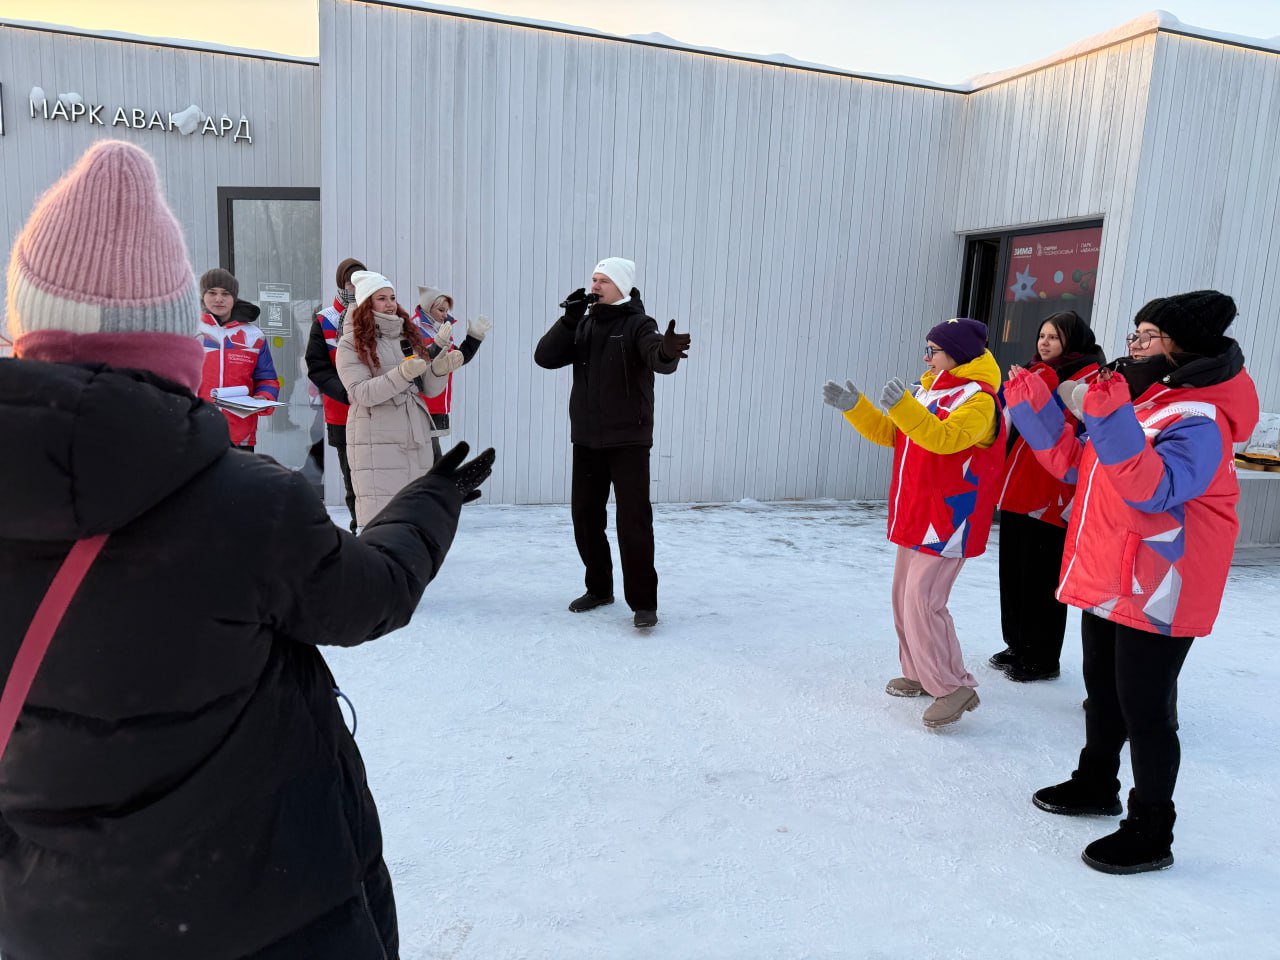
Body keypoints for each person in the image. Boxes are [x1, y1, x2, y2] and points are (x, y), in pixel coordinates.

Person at [0, 139, 496, 958]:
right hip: (274, 914)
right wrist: (431, 502)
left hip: (55, 926)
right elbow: (370, 592)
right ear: (173, 334)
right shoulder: (247, 506)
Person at [1004, 291, 1257, 874]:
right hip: (1110, 573)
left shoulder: (1200, 418)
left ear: (1180, 346)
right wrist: (1032, 406)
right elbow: (1076, 465)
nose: (1134, 347)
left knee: (1146, 710)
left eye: (1146, 336)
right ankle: (1096, 782)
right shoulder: (1148, 403)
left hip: (1163, 582)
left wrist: (1109, 415)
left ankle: (1151, 829)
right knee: (1104, 691)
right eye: (1133, 336)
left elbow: (1153, 490)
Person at [822, 318, 1004, 728]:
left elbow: (943, 439)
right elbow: (895, 434)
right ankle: (922, 671)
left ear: (957, 353)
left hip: (949, 518)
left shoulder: (981, 401)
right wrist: (858, 408)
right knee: (903, 597)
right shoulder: (927, 390)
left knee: (924, 602)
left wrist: (903, 406)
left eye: (934, 350)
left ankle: (952, 685)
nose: (927, 357)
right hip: (916, 513)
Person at [534, 257, 690, 629]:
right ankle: (599, 588)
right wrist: (569, 318)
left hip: (628, 439)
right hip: (586, 438)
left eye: (603, 280)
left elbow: (657, 355)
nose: (594, 285)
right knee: (585, 518)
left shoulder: (639, 323)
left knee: (633, 521)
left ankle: (644, 603)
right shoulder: (584, 323)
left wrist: (667, 352)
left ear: (621, 285)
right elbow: (545, 357)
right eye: (593, 278)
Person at [990, 311, 1105, 682]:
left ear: (1073, 341)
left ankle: (1042, 655)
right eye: (1042, 335)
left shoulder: (1089, 379)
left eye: (1054, 337)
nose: (1044, 343)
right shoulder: (1033, 370)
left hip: (1054, 492)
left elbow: (1080, 433)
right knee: (1014, 572)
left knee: (1042, 577)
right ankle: (1017, 643)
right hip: (1018, 487)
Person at [336, 271, 465, 527]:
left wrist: (440, 370)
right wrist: (402, 374)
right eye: (381, 298)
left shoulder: (407, 337)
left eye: (392, 297)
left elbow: (426, 388)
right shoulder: (350, 344)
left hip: (414, 436)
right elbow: (361, 392)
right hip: (376, 437)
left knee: (415, 518)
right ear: (365, 304)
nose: (390, 303)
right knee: (383, 519)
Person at [307, 256, 365, 532]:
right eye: (349, 281)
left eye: (360, 281)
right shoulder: (325, 320)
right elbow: (317, 367)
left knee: (379, 476)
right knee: (353, 477)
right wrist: (347, 393)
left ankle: (382, 531)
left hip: (376, 409)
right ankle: (360, 529)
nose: (354, 287)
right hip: (342, 411)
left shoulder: (379, 314)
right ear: (341, 283)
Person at [197, 266, 281, 452]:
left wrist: (264, 396)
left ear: (233, 298)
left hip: (240, 433)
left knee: (239, 482)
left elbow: (267, 378)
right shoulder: (190, 330)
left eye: (225, 293)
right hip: (198, 431)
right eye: (212, 292)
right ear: (203, 295)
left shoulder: (253, 335)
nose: (219, 299)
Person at [413, 285, 492, 462]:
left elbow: (458, 359)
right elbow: (421, 363)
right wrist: (438, 344)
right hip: (421, 404)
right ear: (427, 307)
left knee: (431, 457)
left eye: (446, 310)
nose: (444, 314)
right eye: (440, 309)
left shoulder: (440, 331)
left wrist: (474, 337)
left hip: (437, 401)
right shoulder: (413, 330)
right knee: (430, 459)